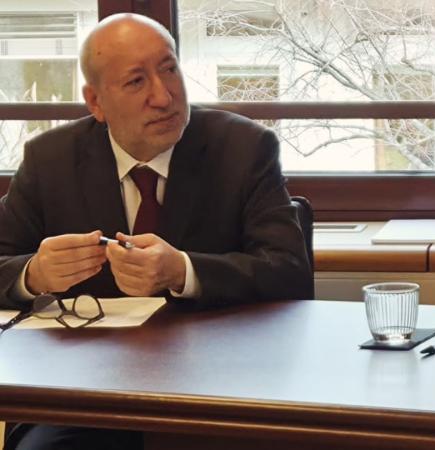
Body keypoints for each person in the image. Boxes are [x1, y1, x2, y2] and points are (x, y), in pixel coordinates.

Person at [0, 13, 312, 450]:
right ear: (95, 102)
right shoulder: (49, 159)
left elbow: (290, 272)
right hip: (87, 394)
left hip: (223, 387)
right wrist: (33, 275)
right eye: (136, 82)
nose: (163, 97)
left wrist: (182, 271)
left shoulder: (244, 149)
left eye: (169, 69)